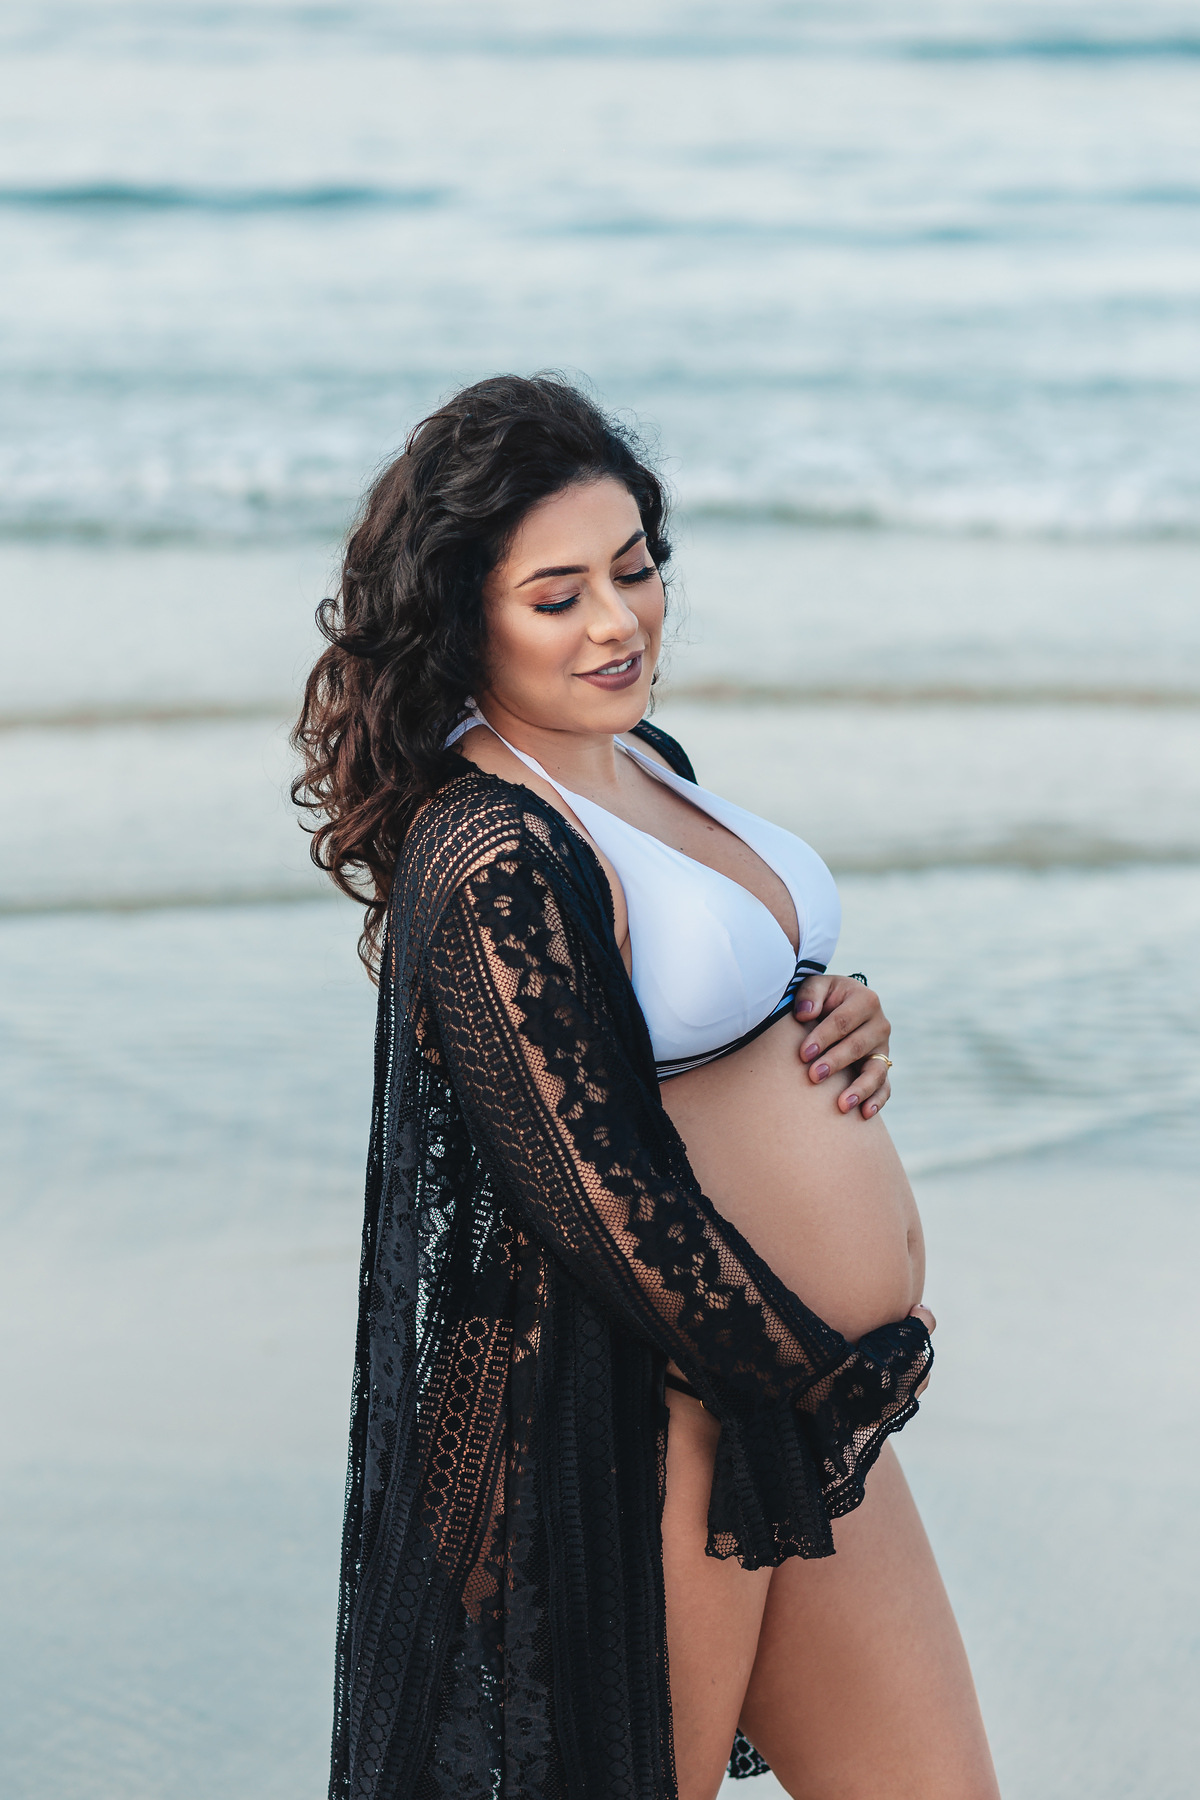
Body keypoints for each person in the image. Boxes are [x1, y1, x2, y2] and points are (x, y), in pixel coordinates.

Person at [293, 374, 1000, 1800]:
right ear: (463, 616)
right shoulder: (486, 849)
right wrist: (831, 1373)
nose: (619, 621)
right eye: (559, 596)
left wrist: (839, 1010)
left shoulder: (641, 765)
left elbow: (713, 1018)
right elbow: (603, 1206)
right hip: (636, 1441)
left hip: (775, 1421)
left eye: (635, 568)